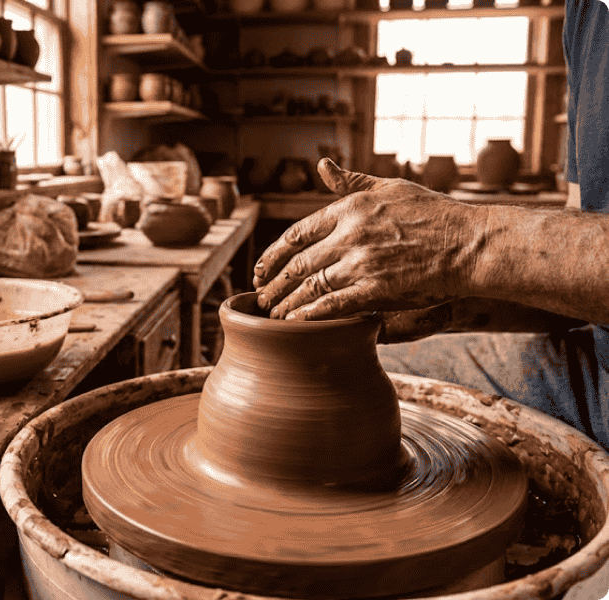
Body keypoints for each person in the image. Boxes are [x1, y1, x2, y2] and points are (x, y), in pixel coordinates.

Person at [251, 0, 609, 450]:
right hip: (594, 364)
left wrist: (461, 244)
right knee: (329, 376)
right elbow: (574, 273)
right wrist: (448, 299)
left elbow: (472, 245)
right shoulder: (585, 11)